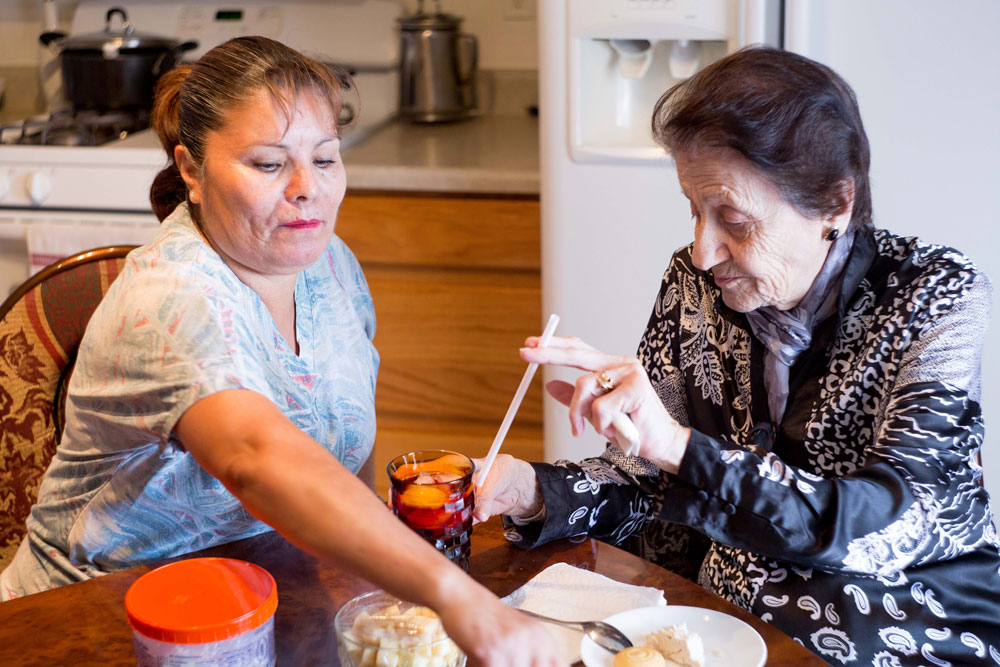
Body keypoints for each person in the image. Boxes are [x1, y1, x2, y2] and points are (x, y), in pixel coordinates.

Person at [0, 36, 563, 666]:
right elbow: (257, 458)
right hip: (98, 626)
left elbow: (340, 459)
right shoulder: (170, 299)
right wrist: (461, 601)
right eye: (269, 164)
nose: (307, 188)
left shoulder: (333, 268)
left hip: (267, 609)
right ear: (191, 170)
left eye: (324, 159)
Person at [475, 45, 1000, 665]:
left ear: (835, 203)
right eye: (694, 211)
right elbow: (655, 482)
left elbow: (890, 525)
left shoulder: (936, 295)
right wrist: (530, 489)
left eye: (734, 220)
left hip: (899, 614)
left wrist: (675, 446)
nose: (702, 252)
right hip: (725, 611)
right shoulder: (694, 284)